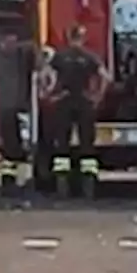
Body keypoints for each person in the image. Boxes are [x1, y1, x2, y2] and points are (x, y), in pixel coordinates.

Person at [45, 24, 111, 197]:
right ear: (83, 38)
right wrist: (97, 96)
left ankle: (62, 187)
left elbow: (46, 75)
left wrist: (49, 94)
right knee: (87, 144)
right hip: (84, 102)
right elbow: (105, 77)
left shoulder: (60, 56)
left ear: (68, 37)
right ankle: (88, 187)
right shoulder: (90, 57)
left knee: (62, 143)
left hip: (64, 101)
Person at [0, 30, 37, 185]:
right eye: (9, 41)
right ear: (1, 41)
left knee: (14, 145)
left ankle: (11, 178)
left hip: (15, 108)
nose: (12, 45)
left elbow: (34, 49)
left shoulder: (20, 56)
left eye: (15, 41)